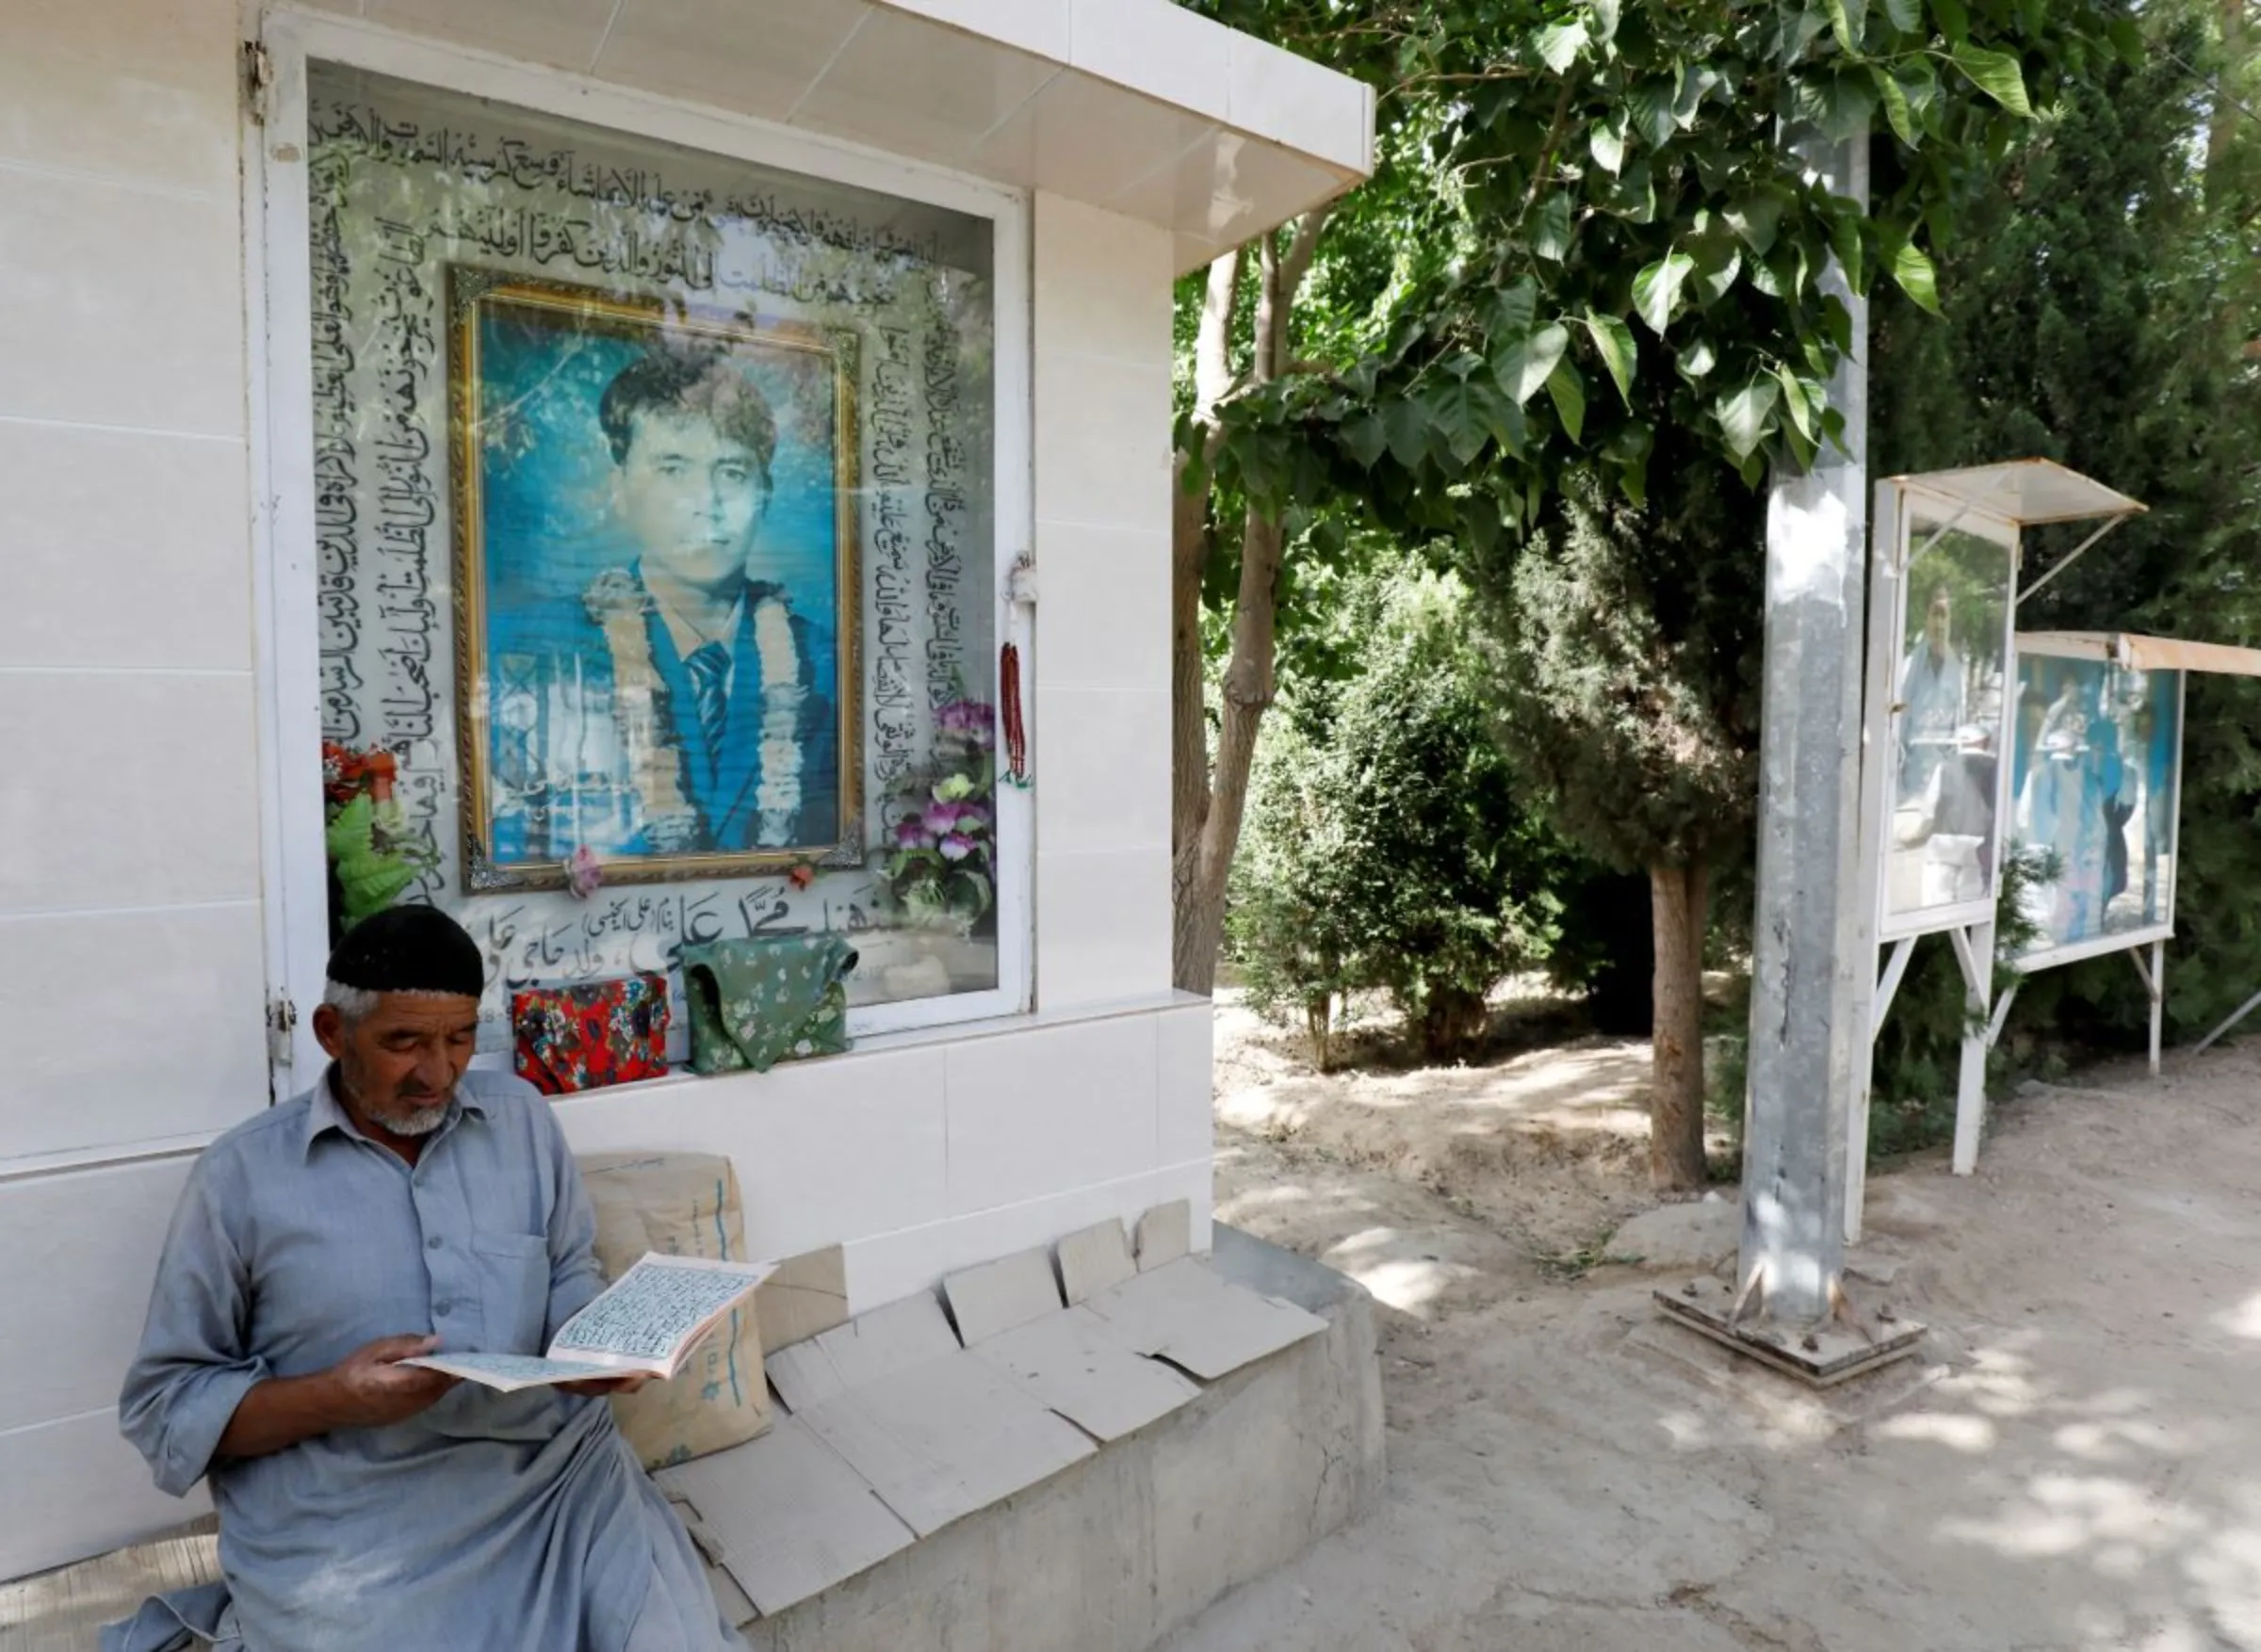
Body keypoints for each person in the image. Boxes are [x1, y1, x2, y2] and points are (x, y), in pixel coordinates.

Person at [106, 906, 744, 1652]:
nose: (436, 1074)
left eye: (460, 1038)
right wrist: (334, 1399)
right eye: (404, 1043)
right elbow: (166, 1406)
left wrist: (598, 1347)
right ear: (330, 1033)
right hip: (352, 1516)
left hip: (555, 1482)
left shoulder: (522, 1120)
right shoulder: (240, 1177)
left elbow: (569, 1267)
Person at [486, 343, 838, 865]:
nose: (707, 503)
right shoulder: (527, 650)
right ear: (620, 487)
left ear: (765, 494)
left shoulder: (825, 662)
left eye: (733, 473)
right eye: (673, 469)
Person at [1897, 583, 1966, 799]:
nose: (1939, 623)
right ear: (1926, 618)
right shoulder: (1909, 668)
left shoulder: (1957, 672)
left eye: (1944, 616)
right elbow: (1896, 730)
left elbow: (1959, 729)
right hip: (1910, 787)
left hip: (1943, 790)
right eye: (1935, 614)